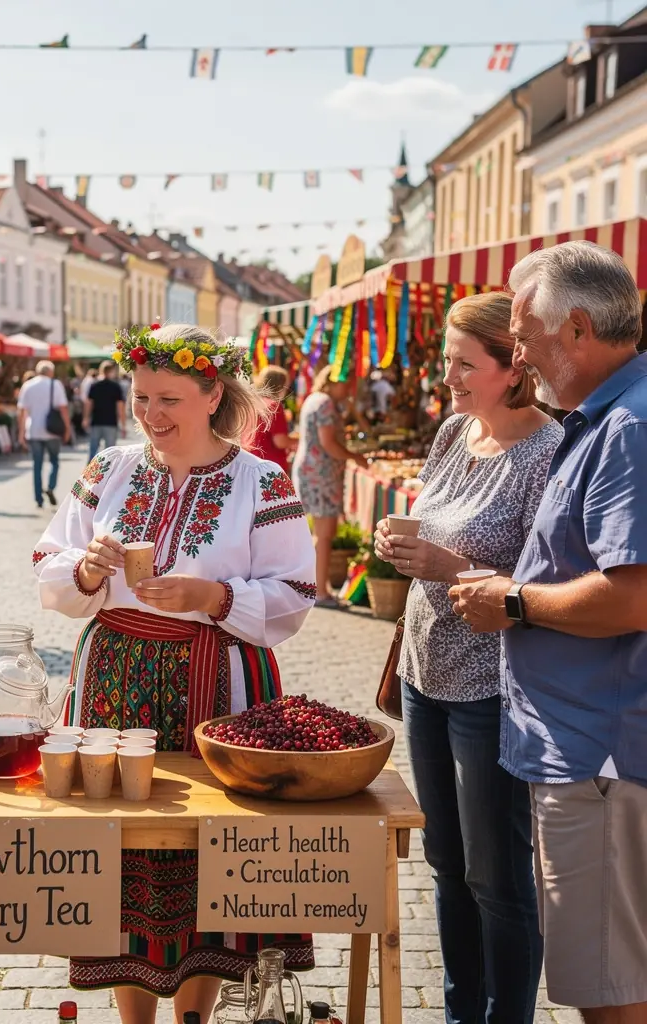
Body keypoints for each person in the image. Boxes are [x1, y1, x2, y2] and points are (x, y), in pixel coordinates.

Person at [33, 324, 316, 1024]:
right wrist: (84, 570)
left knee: (208, 851)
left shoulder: (261, 480)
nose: (152, 416)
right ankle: (135, 1019)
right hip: (114, 674)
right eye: (140, 399)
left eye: (170, 399)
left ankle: (194, 1011)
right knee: (120, 847)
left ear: (213, 393)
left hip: (217, 680)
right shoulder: (110, 469)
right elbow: (50, 561)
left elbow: (296, 593)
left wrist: (212, 598)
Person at [452, 242, 647, 1020]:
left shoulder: (627, 426)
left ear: (575, 328)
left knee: (609, 994)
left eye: (526, 332)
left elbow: (633, 597)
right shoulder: (608, 416)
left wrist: (516, 602)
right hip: (595, 746)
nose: (520, 351)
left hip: (599, 751)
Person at [374, 292, 561, 1024]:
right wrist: (402, 548)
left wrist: (447, 564)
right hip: (425, 673)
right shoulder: (454, 432)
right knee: (446, 866)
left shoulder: (547, 450)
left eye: (461, 363)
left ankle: (504, 1015)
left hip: (494, 684)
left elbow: (545, 583)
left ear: (512, 368)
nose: (447, 375)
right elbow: (435, 521)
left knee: (498, 876)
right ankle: (460, 1013)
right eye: (446, 360)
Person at [290, 365, 367, 607]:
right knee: (324, 535)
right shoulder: (324, 403)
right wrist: (354, 456)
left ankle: (319, 587)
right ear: (332, 382)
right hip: (320, 474)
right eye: (346, 383)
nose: (349, 389)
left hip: (313, 472)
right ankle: (320, 591)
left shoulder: (315, 399)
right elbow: (328, 443)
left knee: (320, 534)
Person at [17, 360, 72, 509]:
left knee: (37, 465)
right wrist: (67, 428)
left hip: (33, 430)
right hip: (52, 430)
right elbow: (63, 408)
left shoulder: (27, 385)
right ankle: (51, 486)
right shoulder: (56, 385)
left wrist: (21, 433)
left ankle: (38, 498)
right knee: (54, 461)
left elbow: (22, 412)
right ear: (51, 372)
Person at [245, 365, 293, 473]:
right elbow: (280, 441)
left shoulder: (252, 403)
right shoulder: (274, 406)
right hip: (271, 467)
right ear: (281, 386)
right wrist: (298, 441)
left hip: (251, 463)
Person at [84, 359, 126, 463]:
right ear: (111, 371)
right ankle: (108, 476)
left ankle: (89, 475)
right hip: (110, 422)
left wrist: (85, 418)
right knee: (110, 453)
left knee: (93, 450)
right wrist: (123, 424)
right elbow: (120, 407)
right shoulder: (115, 387)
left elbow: (88, 404)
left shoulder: (94, 385)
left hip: (96, 421)